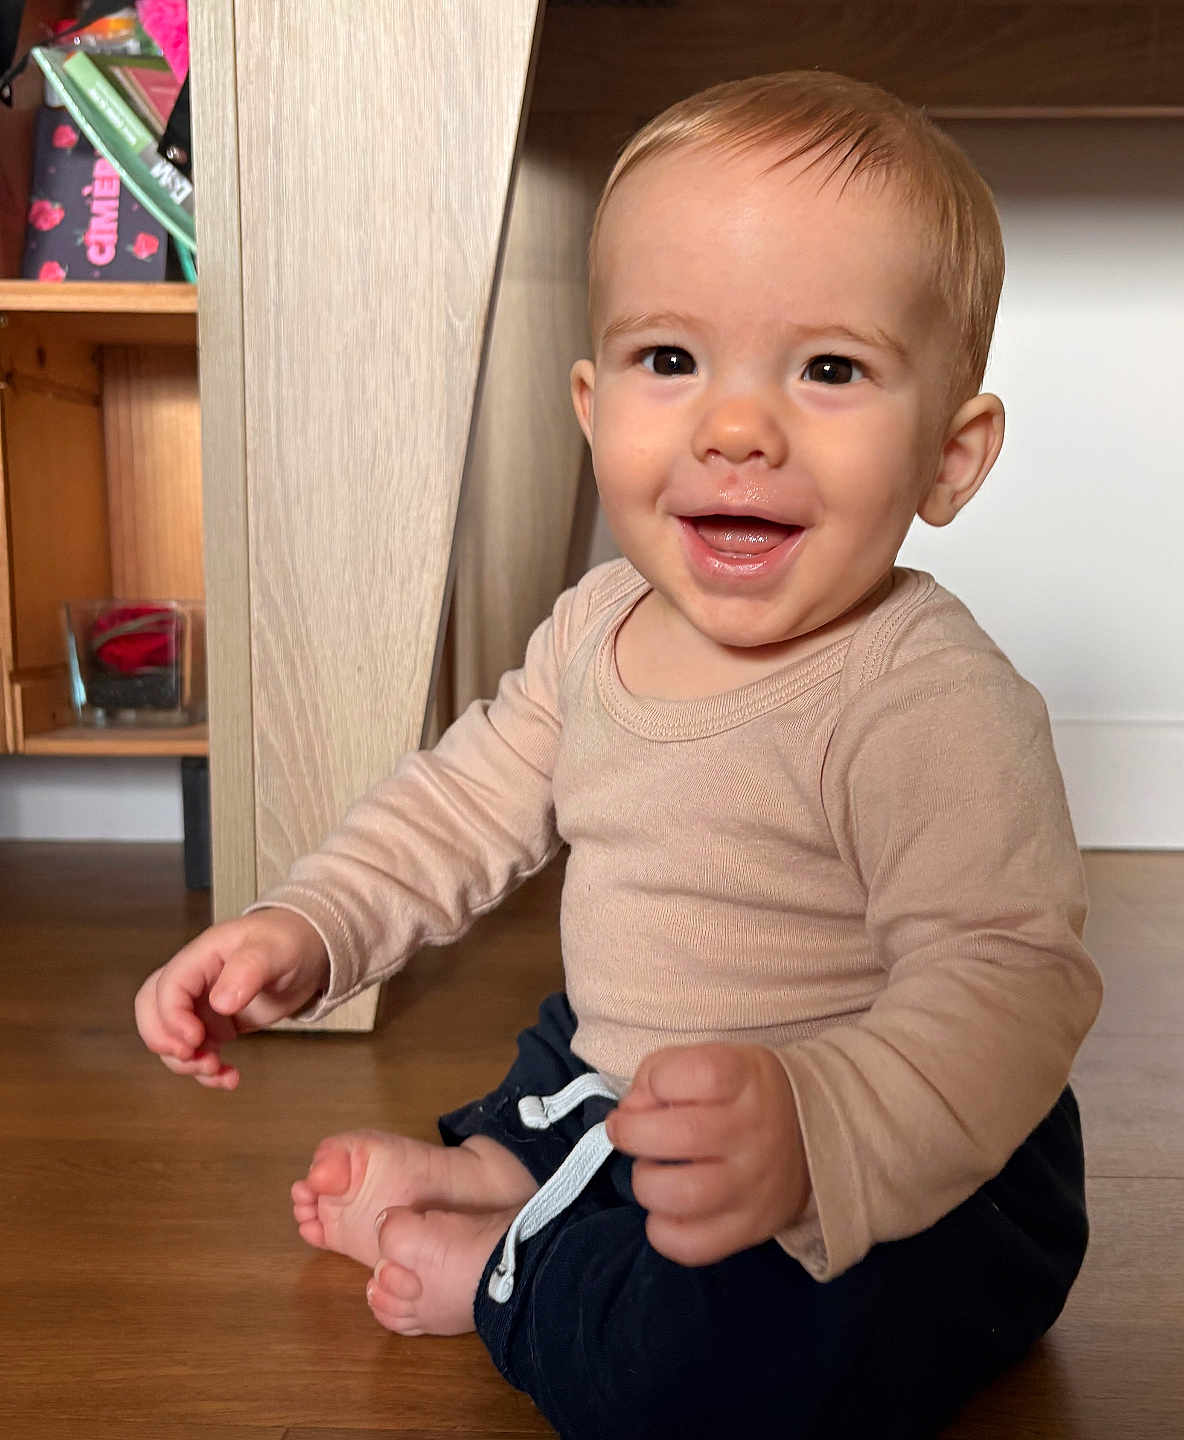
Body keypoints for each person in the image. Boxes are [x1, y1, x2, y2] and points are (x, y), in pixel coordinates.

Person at [135, 70, 1103, 1440]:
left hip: (903, 1150)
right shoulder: (600, 626)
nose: (735, 426)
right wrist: (311, 923)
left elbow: (1013, 984)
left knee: (714, 1362)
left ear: (952, 453)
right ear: (593, 409)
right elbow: (460, 805)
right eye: (671, 361)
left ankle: (507, 1270)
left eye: (829, 369)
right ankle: (508, 1175)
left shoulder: (927, 698)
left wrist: (819, 1126)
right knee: (571, 1061)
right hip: (637, 1076)